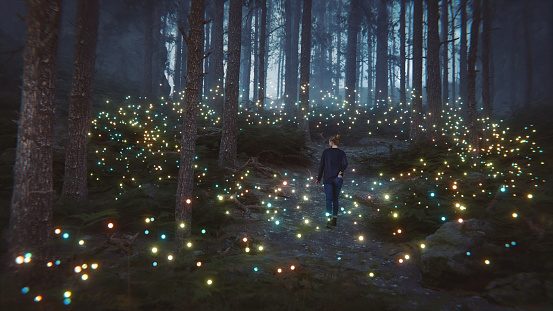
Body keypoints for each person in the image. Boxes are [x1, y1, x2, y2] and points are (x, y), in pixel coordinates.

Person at [316, 135, 348, 228]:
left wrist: (318, 178)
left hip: (328, 179)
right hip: (338, 179)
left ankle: (329, 220)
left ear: (331, 142)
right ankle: (334, 219)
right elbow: (345, 164)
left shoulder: (326, 152)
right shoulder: (341, 153)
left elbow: (321, 166)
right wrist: (340, 173)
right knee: (335, 199)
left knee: (328, 199)